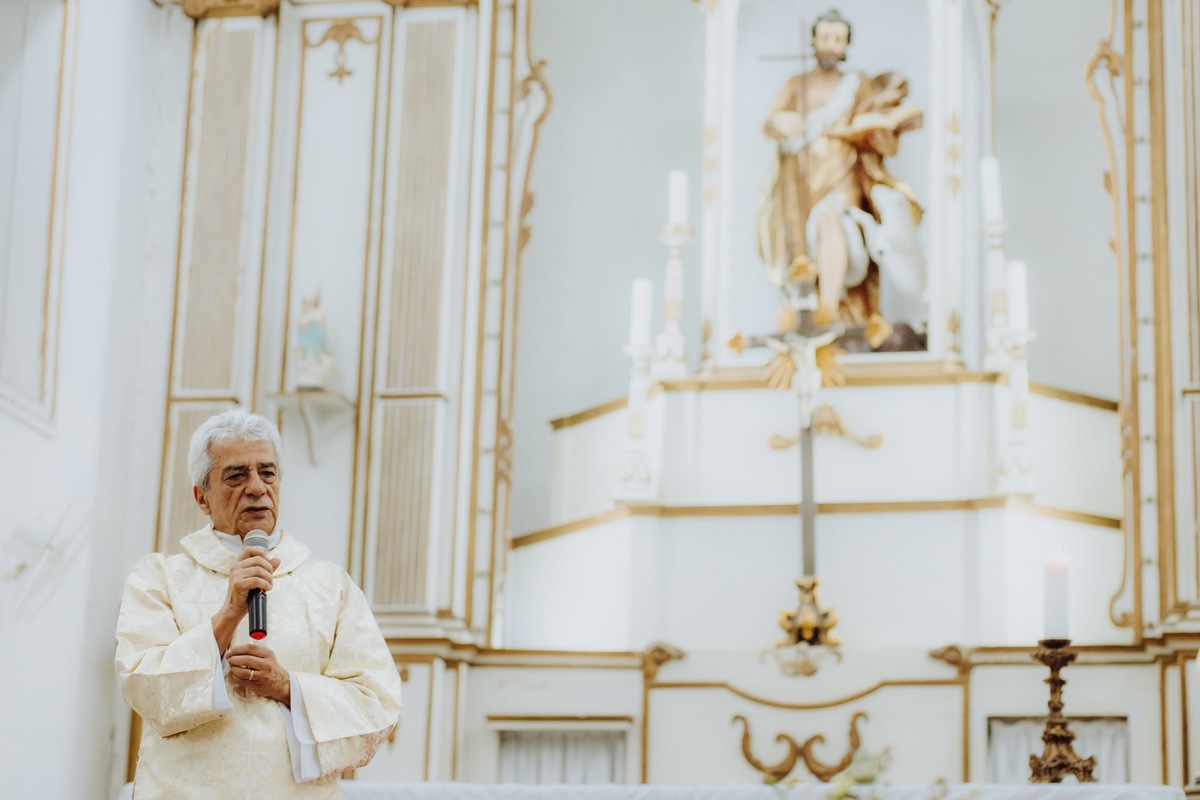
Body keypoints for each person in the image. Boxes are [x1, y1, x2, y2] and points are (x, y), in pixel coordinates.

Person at [115, 409, 403, 798]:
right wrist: (229, 612)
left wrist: (288, 686)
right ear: (202, 497)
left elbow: (378, 703)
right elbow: (143, 686)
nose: (256, 487)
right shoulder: (159, 578)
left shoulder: (330, 587)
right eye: (236, 475)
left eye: (267, 473)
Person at [758, 8, 926, 347]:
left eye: (838, 38)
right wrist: (780, 123)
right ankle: (821, 312)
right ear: (814, 41)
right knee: (808, 246)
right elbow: (769, 124)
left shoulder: (857, 84)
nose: (831, 45)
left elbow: (879, 125)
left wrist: (877, 128)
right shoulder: (797, 85)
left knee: (832, 222)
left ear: (846, 44)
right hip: (803, 183)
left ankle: (828, 313)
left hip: (844, 178)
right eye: (825, 37)